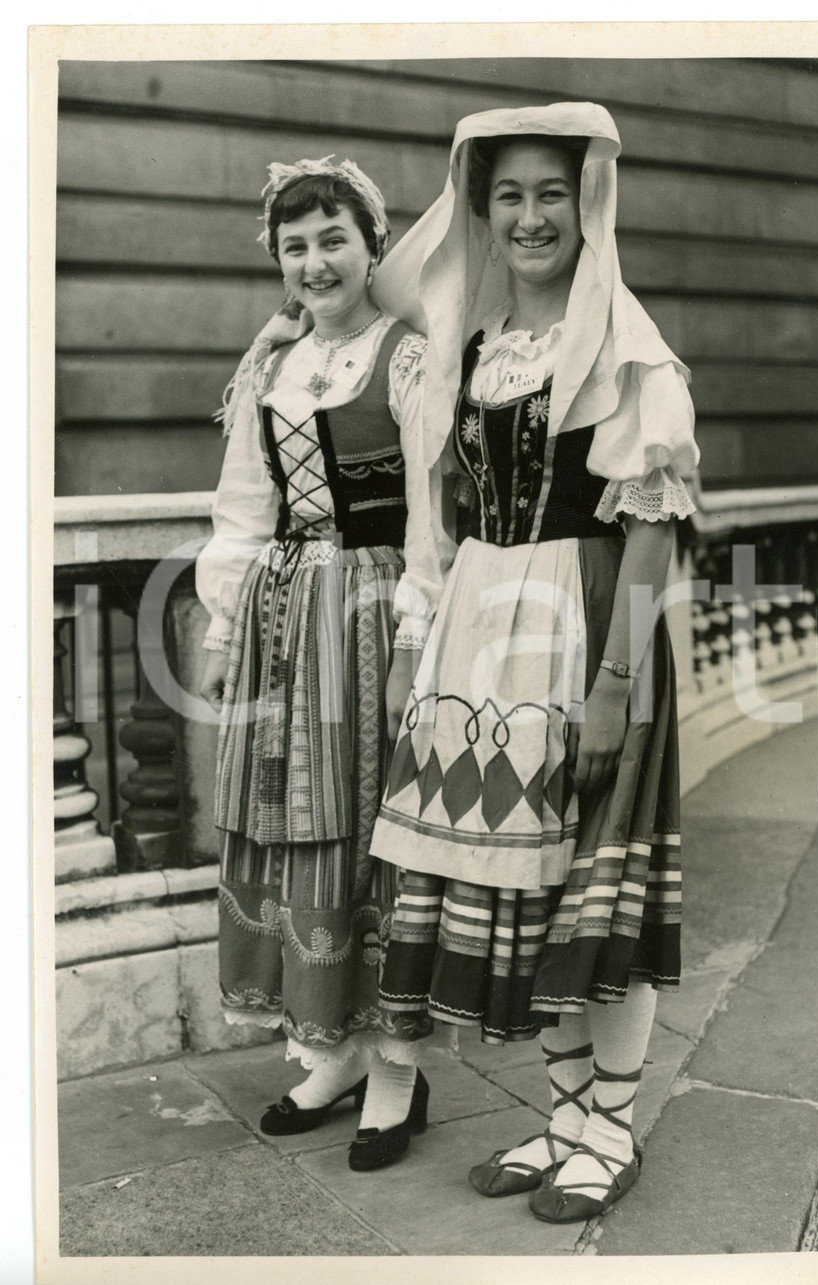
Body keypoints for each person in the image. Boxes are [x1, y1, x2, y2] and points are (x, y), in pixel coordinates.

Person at [367, 103, 699, 1221]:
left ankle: (610, 1122)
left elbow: (650, 522)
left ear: (586, 201)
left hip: (588, 628)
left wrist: (614, 686)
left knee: (588, 890)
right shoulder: (468, 349)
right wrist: (426, 656)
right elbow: (438, 517)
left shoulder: (620, 343)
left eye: (549, 192)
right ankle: (563, 1112)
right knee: (517, 885)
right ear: (479, 208)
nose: (527, 215)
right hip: (481, 633)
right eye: (504, 194)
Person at [196, 155, 450, 1170]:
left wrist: (412, 644)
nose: (315, 260)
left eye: (333, 238)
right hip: (281, 623)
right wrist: (222, 631)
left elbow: (434, 519)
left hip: (369, 613)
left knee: (369, 833)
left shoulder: (407, 360)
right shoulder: (270, 370)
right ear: (279, 261)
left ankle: (395, 1075)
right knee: (291, 829)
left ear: (370, 245)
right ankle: (327, 1049)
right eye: (295, 245)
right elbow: (243, 506)